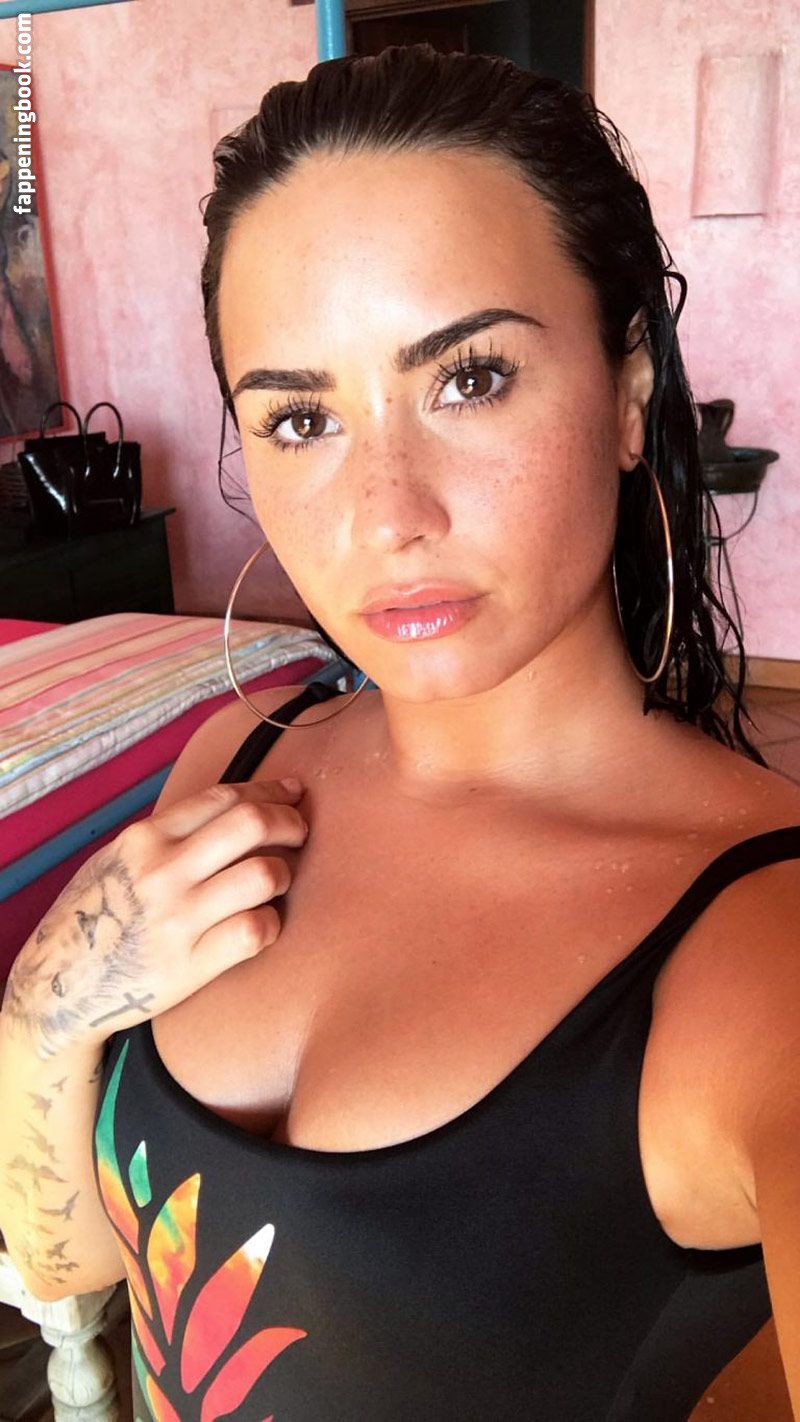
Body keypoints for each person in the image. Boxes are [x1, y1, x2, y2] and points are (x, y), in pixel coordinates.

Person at [1, 43, 799, 1421]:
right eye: (301, 417)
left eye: (470, 378)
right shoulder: (234, 764)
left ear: (626, 392)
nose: (386, 513)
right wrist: (47, 1004)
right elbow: (68, 1261)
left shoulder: (758, 947)